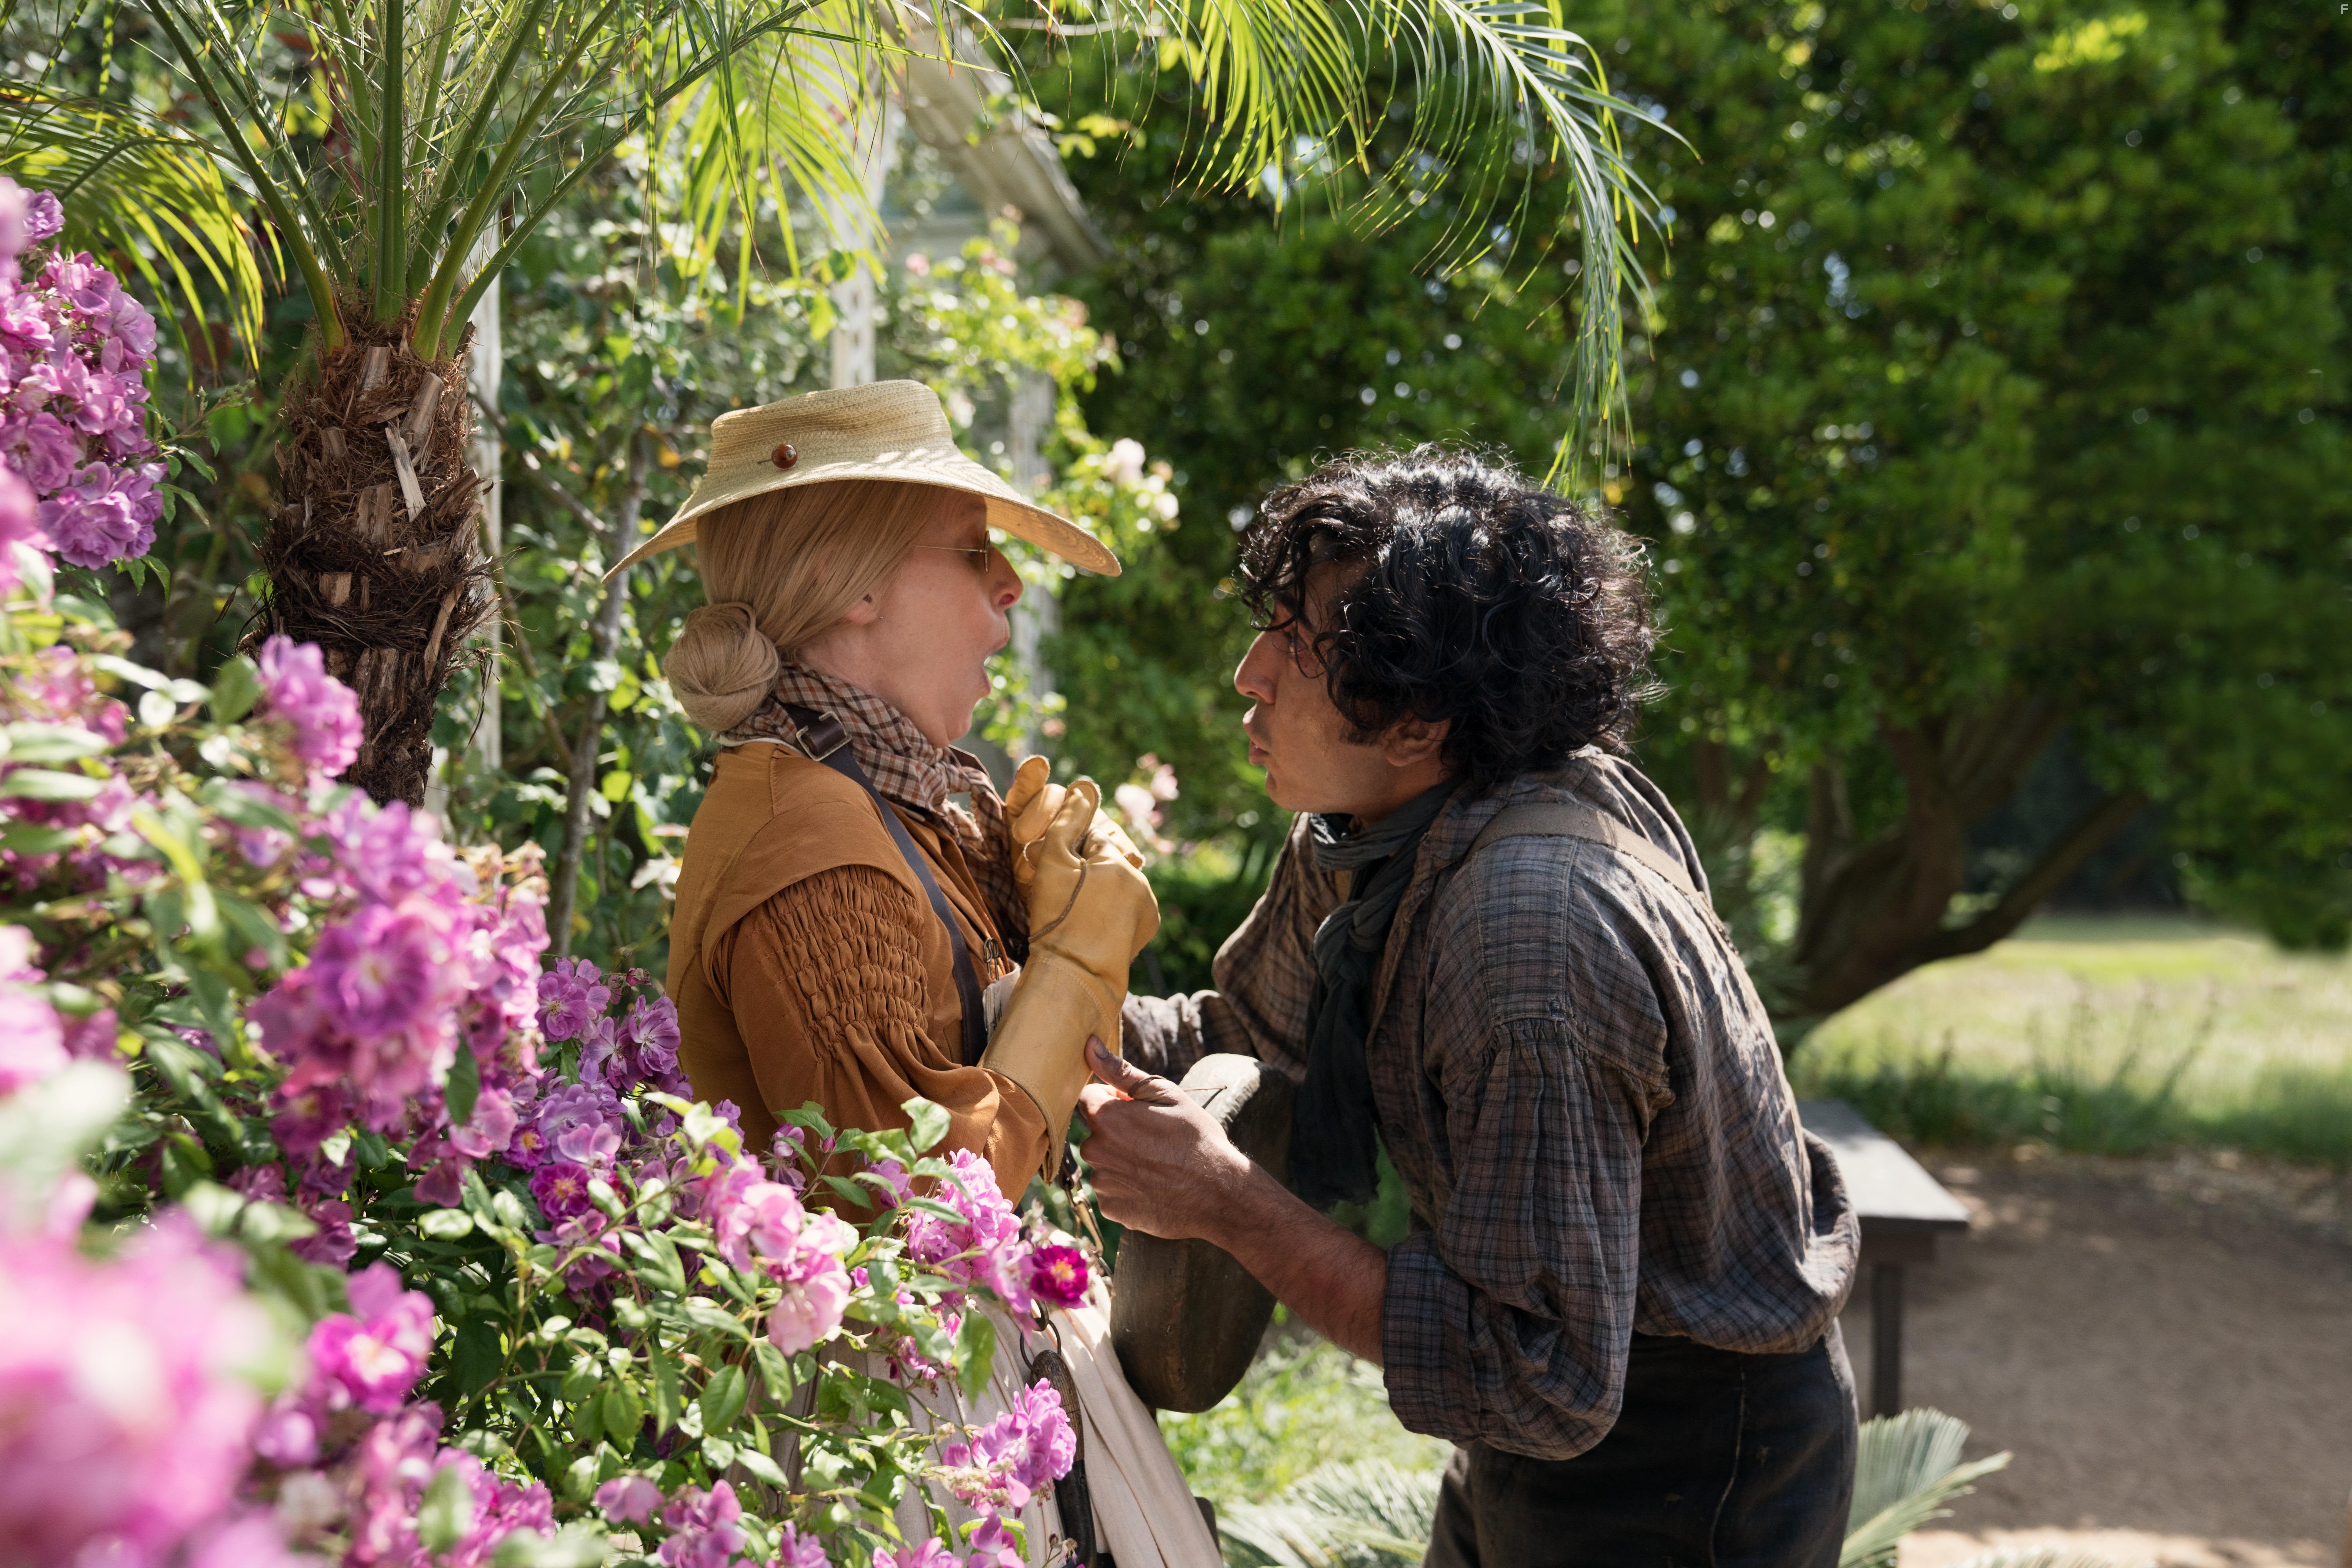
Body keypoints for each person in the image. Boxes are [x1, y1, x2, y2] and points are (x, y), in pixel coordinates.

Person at [1080, 446, 1863, 1566]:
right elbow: (1246, 1043)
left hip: (1691, 1467)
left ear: (1422, 723)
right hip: (1546, 1399)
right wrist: (1030, 1001)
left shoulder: (1530, 937)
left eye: (1301, 647)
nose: (1250, 674)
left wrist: (1230, 1205)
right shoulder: (1374, 828)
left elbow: (1531, 1373)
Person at [622, 379, 1220, 1567]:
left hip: (958, 1393)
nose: (1007, 586)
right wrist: (1077, 966)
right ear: (854, 587)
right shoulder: (811, 836)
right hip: (893, 1443)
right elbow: (913, 1202)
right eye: (971, 552)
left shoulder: (873, 798)